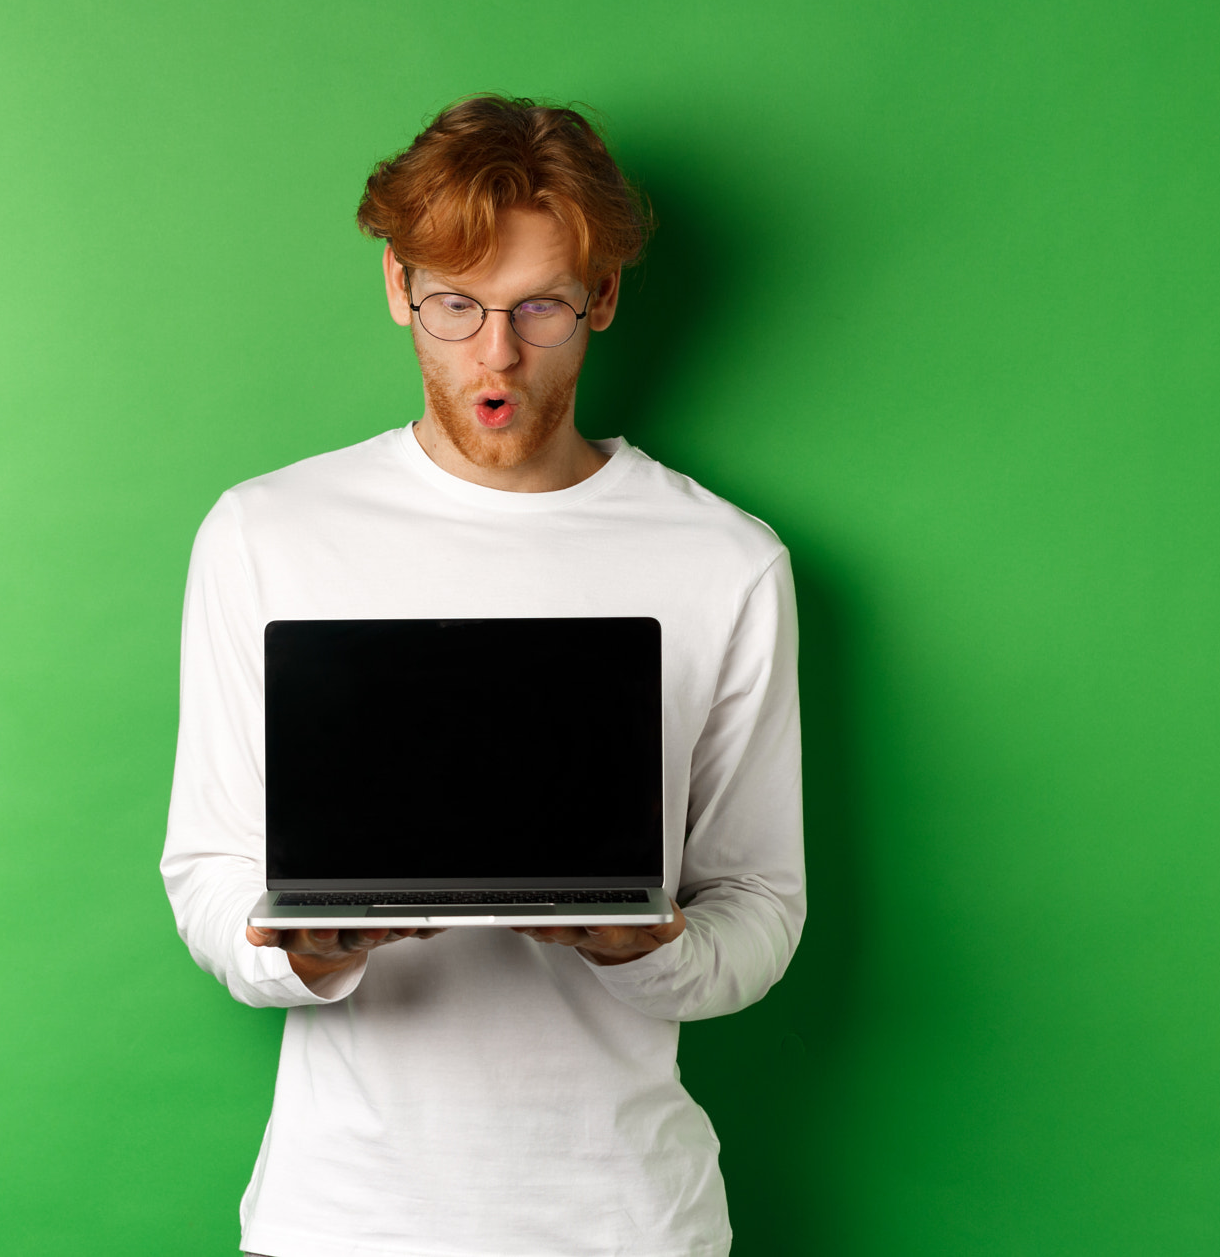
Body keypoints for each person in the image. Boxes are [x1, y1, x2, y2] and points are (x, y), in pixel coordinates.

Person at [160, 95, 805, 1257]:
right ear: (399, 288)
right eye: (455, 305)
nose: (492, 353)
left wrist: (645, 949)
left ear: (600, 300)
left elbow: (761, 909)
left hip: (626, 1221)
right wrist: (312, 949)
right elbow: (207, 879)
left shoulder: (723, 561)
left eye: (538, 308)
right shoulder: (267, 532)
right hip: (341, 1221)